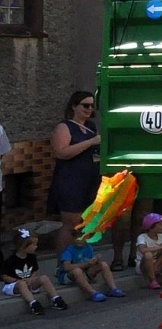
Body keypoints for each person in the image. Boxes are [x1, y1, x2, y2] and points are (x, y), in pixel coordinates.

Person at [47, 92, 101, 260]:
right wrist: (90, 142)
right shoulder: (64, 127)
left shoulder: (91, 126)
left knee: (85, 223)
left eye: (92, 106)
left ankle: (79, 260)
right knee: (71, 223)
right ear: (73, 106)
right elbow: (61, 152)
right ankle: (63, 262)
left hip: (89, 180)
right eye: (85, 105)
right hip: (71, 181)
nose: (89, 109)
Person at [4, 227, 70, 314]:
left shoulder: (32, 257)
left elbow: (35, 270)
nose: (36, 247)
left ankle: (56, 298)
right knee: (21, 284)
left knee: (44, 278)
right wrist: (17, 280)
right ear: (24, 246)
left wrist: (31, 278)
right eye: (34, 245)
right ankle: (33, 303)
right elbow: (4, 276)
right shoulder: (11, 260)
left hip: (29, 282)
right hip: (14, 286)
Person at [59, 234, 124, 301]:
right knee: (77, 271)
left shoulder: (88, 247)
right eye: (77, 238)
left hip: (85, 273)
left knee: (103, 264)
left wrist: (96, 260)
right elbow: (66, 267)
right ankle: (92, 293)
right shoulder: (69, 250)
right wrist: (86, 264)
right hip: (68, 276)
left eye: (82, 237)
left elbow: (90, 263)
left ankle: (113, 288)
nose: (79, 240)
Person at [135, 213, 162, 289]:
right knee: (148, 254)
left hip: (157, 263)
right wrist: (158, 248)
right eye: (161, 224)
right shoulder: (142, 237)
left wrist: (156, 265)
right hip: (143, 265)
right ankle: (153, 281)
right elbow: (142, 250)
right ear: (151, 228)